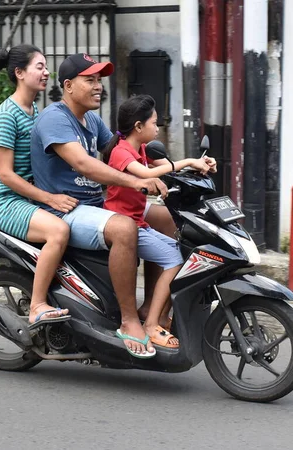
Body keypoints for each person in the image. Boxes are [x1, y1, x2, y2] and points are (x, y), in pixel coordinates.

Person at [30, 53, 167, 359]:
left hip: (94, 204)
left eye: (99, 80)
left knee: (164, 217)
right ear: (68, 85)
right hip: (66, 209)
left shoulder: (90, 119)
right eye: (89, 80)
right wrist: (135, 182)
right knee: (124, 227)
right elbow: (84, 164)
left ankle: (150, 309)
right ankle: (129, 321)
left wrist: (174, 165)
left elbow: (125, 148)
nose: (98, 87)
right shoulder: (55, 118)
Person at [101, 94, 215, 348]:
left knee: (184, 250)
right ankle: (151, 325)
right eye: (154, 123)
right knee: (175, 259)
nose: (157, 128)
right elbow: (147, 174)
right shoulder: (122, 152)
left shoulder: (141, 148)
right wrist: (185, 161)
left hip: (137, 220)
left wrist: (199, 165)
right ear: (138, 127)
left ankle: (157, 314)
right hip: (124, 224)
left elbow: (170, 168)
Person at [0, 44, 77, 325]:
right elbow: (6, 175)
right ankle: (37, 305)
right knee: (58, 232)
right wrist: (49, 198)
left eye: (46, 67)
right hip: (2, 200)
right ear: (20, 73)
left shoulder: (34, 110)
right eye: (40, 67)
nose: (46, 73)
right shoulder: (7, 115)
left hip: (26, 196)